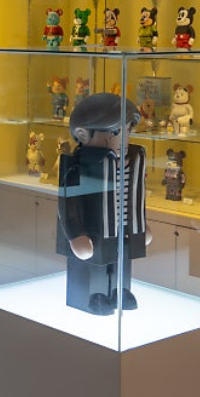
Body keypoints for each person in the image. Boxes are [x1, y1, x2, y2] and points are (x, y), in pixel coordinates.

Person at [56, 93, 152, 315]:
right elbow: (68, 204)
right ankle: (93, 295)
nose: (124, 139)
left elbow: (135, 197)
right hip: (92, 233)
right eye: (116, 132)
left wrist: (142, 225)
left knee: (122, 258)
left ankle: (121, 290)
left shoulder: (132, 162)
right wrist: (75, 234)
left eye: (127, 131)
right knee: (94, 260)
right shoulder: (79, 168)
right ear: (83, 134)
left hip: (123, 230)